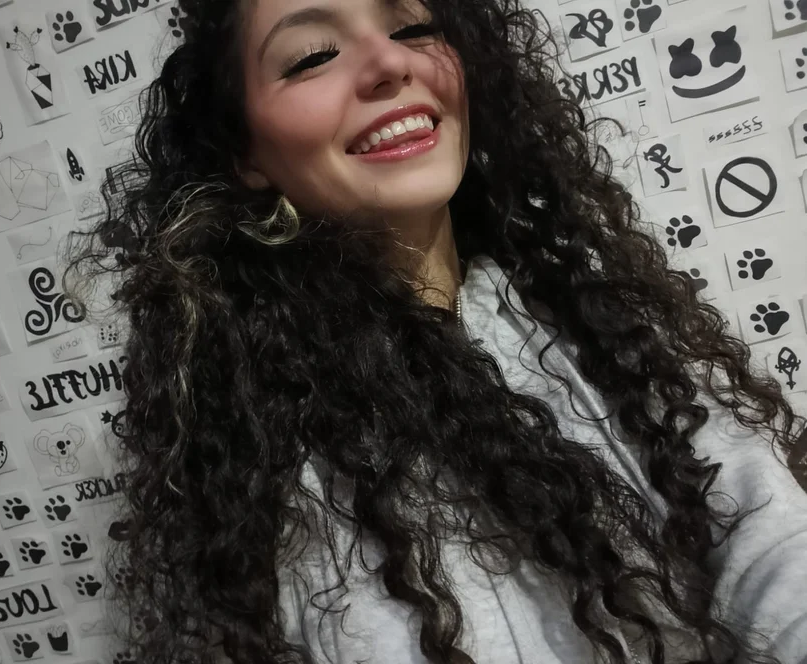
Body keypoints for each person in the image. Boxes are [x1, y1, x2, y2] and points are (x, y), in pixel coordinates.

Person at [62, 0, 807, 662]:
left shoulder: (600, 326)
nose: (391, 63)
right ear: (246, 154)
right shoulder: (246, 451)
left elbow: (772, 543)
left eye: (414, 27)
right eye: (313, 55)